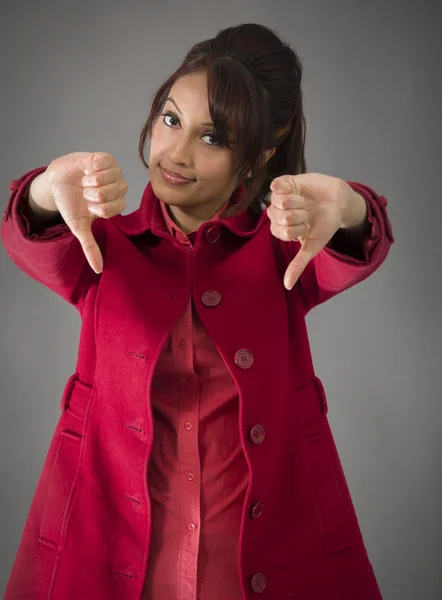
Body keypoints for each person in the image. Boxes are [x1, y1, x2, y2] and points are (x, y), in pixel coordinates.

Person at [1, 22, 394, 600]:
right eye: (170, 119)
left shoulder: (288, 247)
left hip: (256, 562)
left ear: (262, 150)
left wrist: (353, 206)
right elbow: (32, 236)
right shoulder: (101, 241)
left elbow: (353, 247)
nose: (174, 155)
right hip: (108, 556)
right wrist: (41, 193)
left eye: (213, 138)